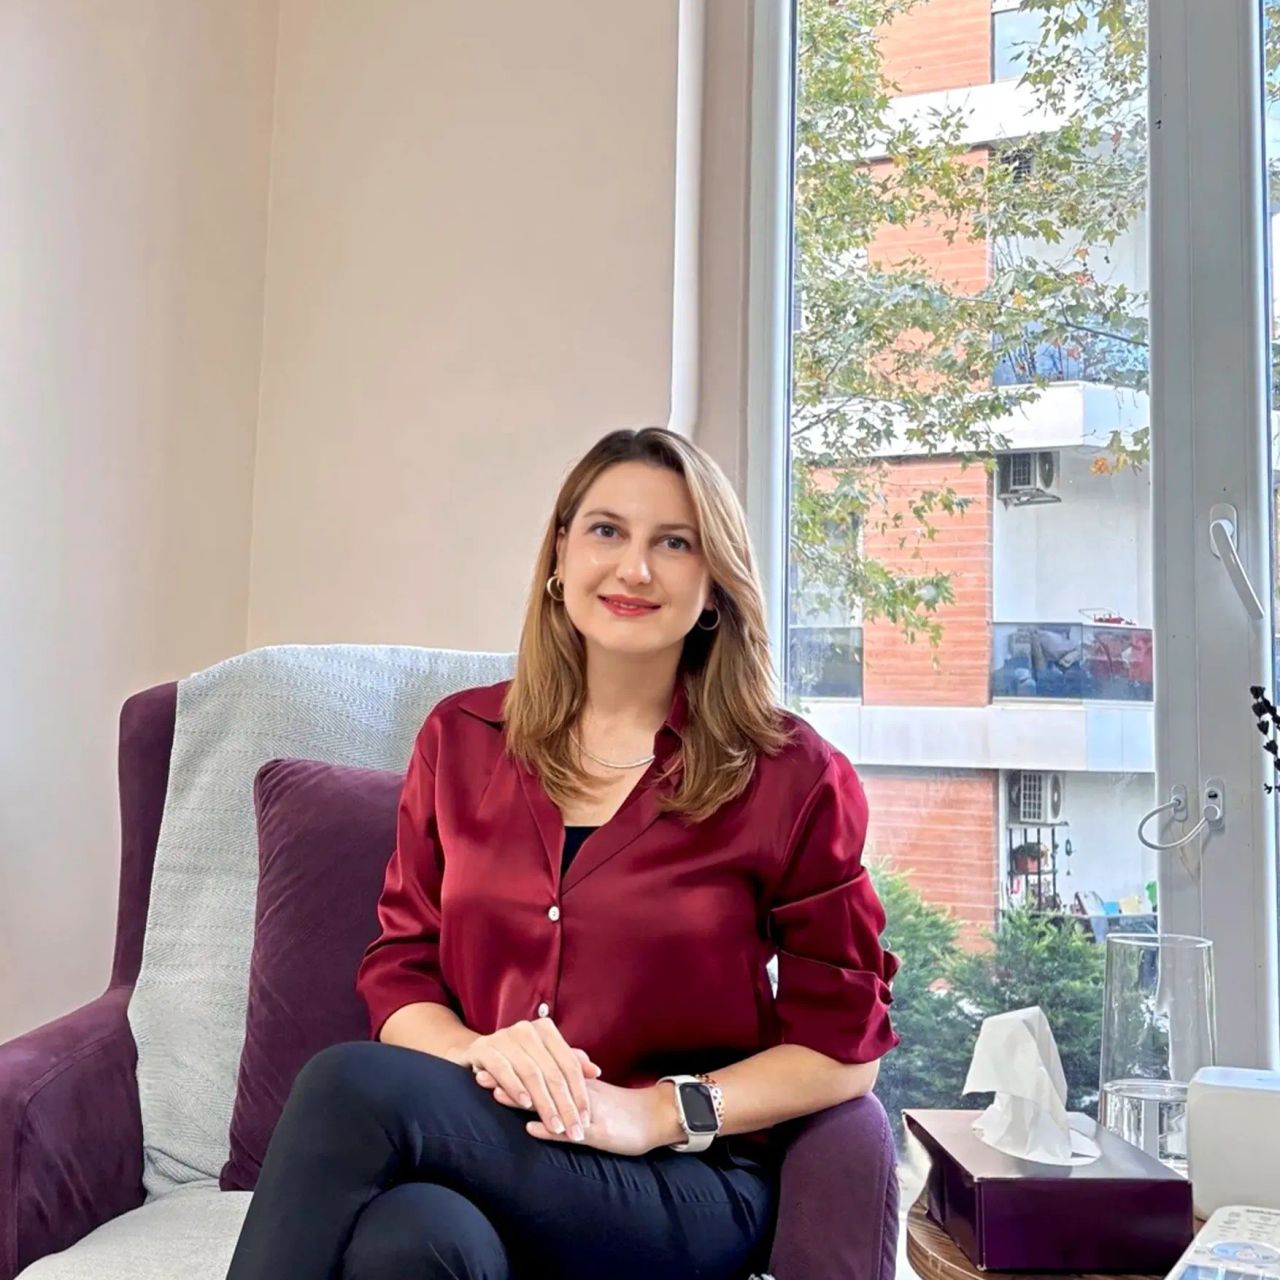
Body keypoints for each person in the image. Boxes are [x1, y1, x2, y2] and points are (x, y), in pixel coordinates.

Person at [224, 427, 899, 1280]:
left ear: (715, 583)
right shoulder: (460, 739)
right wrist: (478, 1052)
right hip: (494, 1148)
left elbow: (846, 1048)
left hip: (677, 1186)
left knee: (346, 1087)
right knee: (409, 1242)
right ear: (560, 554)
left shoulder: (792, 775)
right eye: (607, 531)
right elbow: (400, 972)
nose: (634, 569)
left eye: (675, 543)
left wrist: (656, 1113)